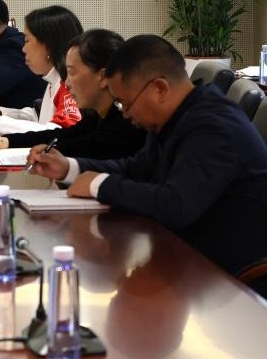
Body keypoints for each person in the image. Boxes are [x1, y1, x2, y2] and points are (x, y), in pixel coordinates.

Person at [28, 34, 267, 277]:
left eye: (125, 103)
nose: (125, 114)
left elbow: (176, 205)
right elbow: (138, 168)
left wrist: (99, 184)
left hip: (231, 275)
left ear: (159, 89)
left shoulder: (214, 127)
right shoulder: (176, 115)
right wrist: (69, 168)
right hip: (185, 253)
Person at [0, 29, 147, 160]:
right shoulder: (98, 115)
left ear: (102, 77)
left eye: (72, 72)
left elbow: (82, 145)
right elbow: (63, 135)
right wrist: (7, 141)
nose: (68, 82)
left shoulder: (127, 122)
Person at [0, 5, 83, 135]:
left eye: (27, 41)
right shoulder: (54, 79)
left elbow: (60, 132)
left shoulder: (68, 85)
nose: (23, 49)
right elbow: (39, 117)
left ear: (48, 46)